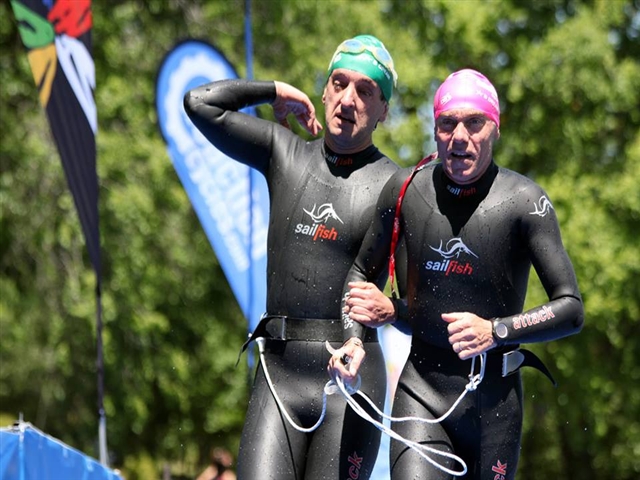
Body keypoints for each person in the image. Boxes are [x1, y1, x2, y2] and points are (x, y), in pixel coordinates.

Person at [328, 68, 584, 479]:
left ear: (495, 128)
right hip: (421, 393)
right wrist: (353, 341)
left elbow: (571, 309)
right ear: (435, 130)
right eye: (447, 123)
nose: (459, 136)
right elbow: (361, 272)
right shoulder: (406, 188)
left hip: (494, 407)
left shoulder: (524, 202)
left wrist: (495, 330)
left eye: (474, 123)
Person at [184, 35, 400, 480]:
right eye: (338, 83)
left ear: (383, 110)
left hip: (351, 378)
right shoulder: (284, 153)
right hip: (279, 372)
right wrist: (274, 90)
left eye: (365, 91)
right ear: (323, 92)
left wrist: (394, 309)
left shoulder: (397, 187)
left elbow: (430, 291)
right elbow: (199, 103)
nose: (347, 99)